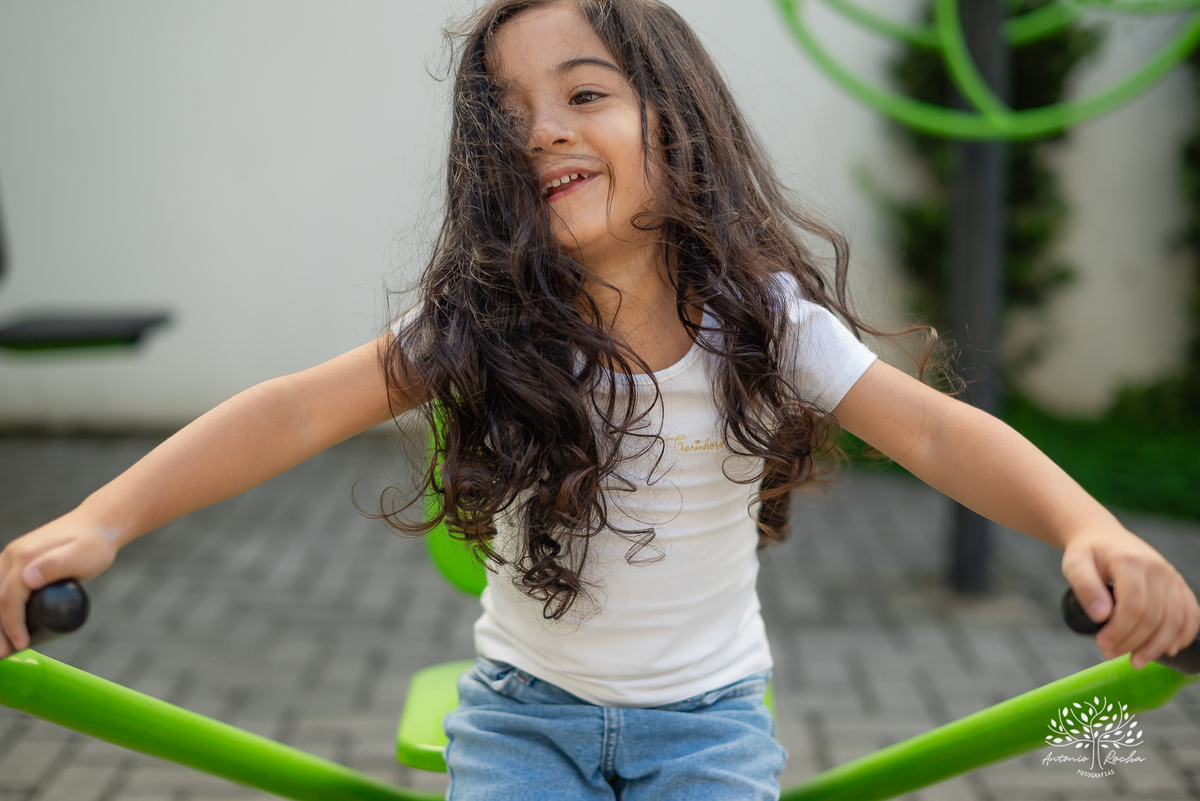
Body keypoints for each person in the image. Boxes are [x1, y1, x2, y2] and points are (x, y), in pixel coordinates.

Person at [1, 1, 1196, 798]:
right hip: (523, 720)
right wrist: (100, 521)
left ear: (675, 123)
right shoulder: (482, 323)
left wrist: (1086, 526)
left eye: (583, 95)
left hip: (710, 724)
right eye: (507, 116)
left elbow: (932, 429)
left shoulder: (766, 321)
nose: (540, 133)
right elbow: (296, 412)